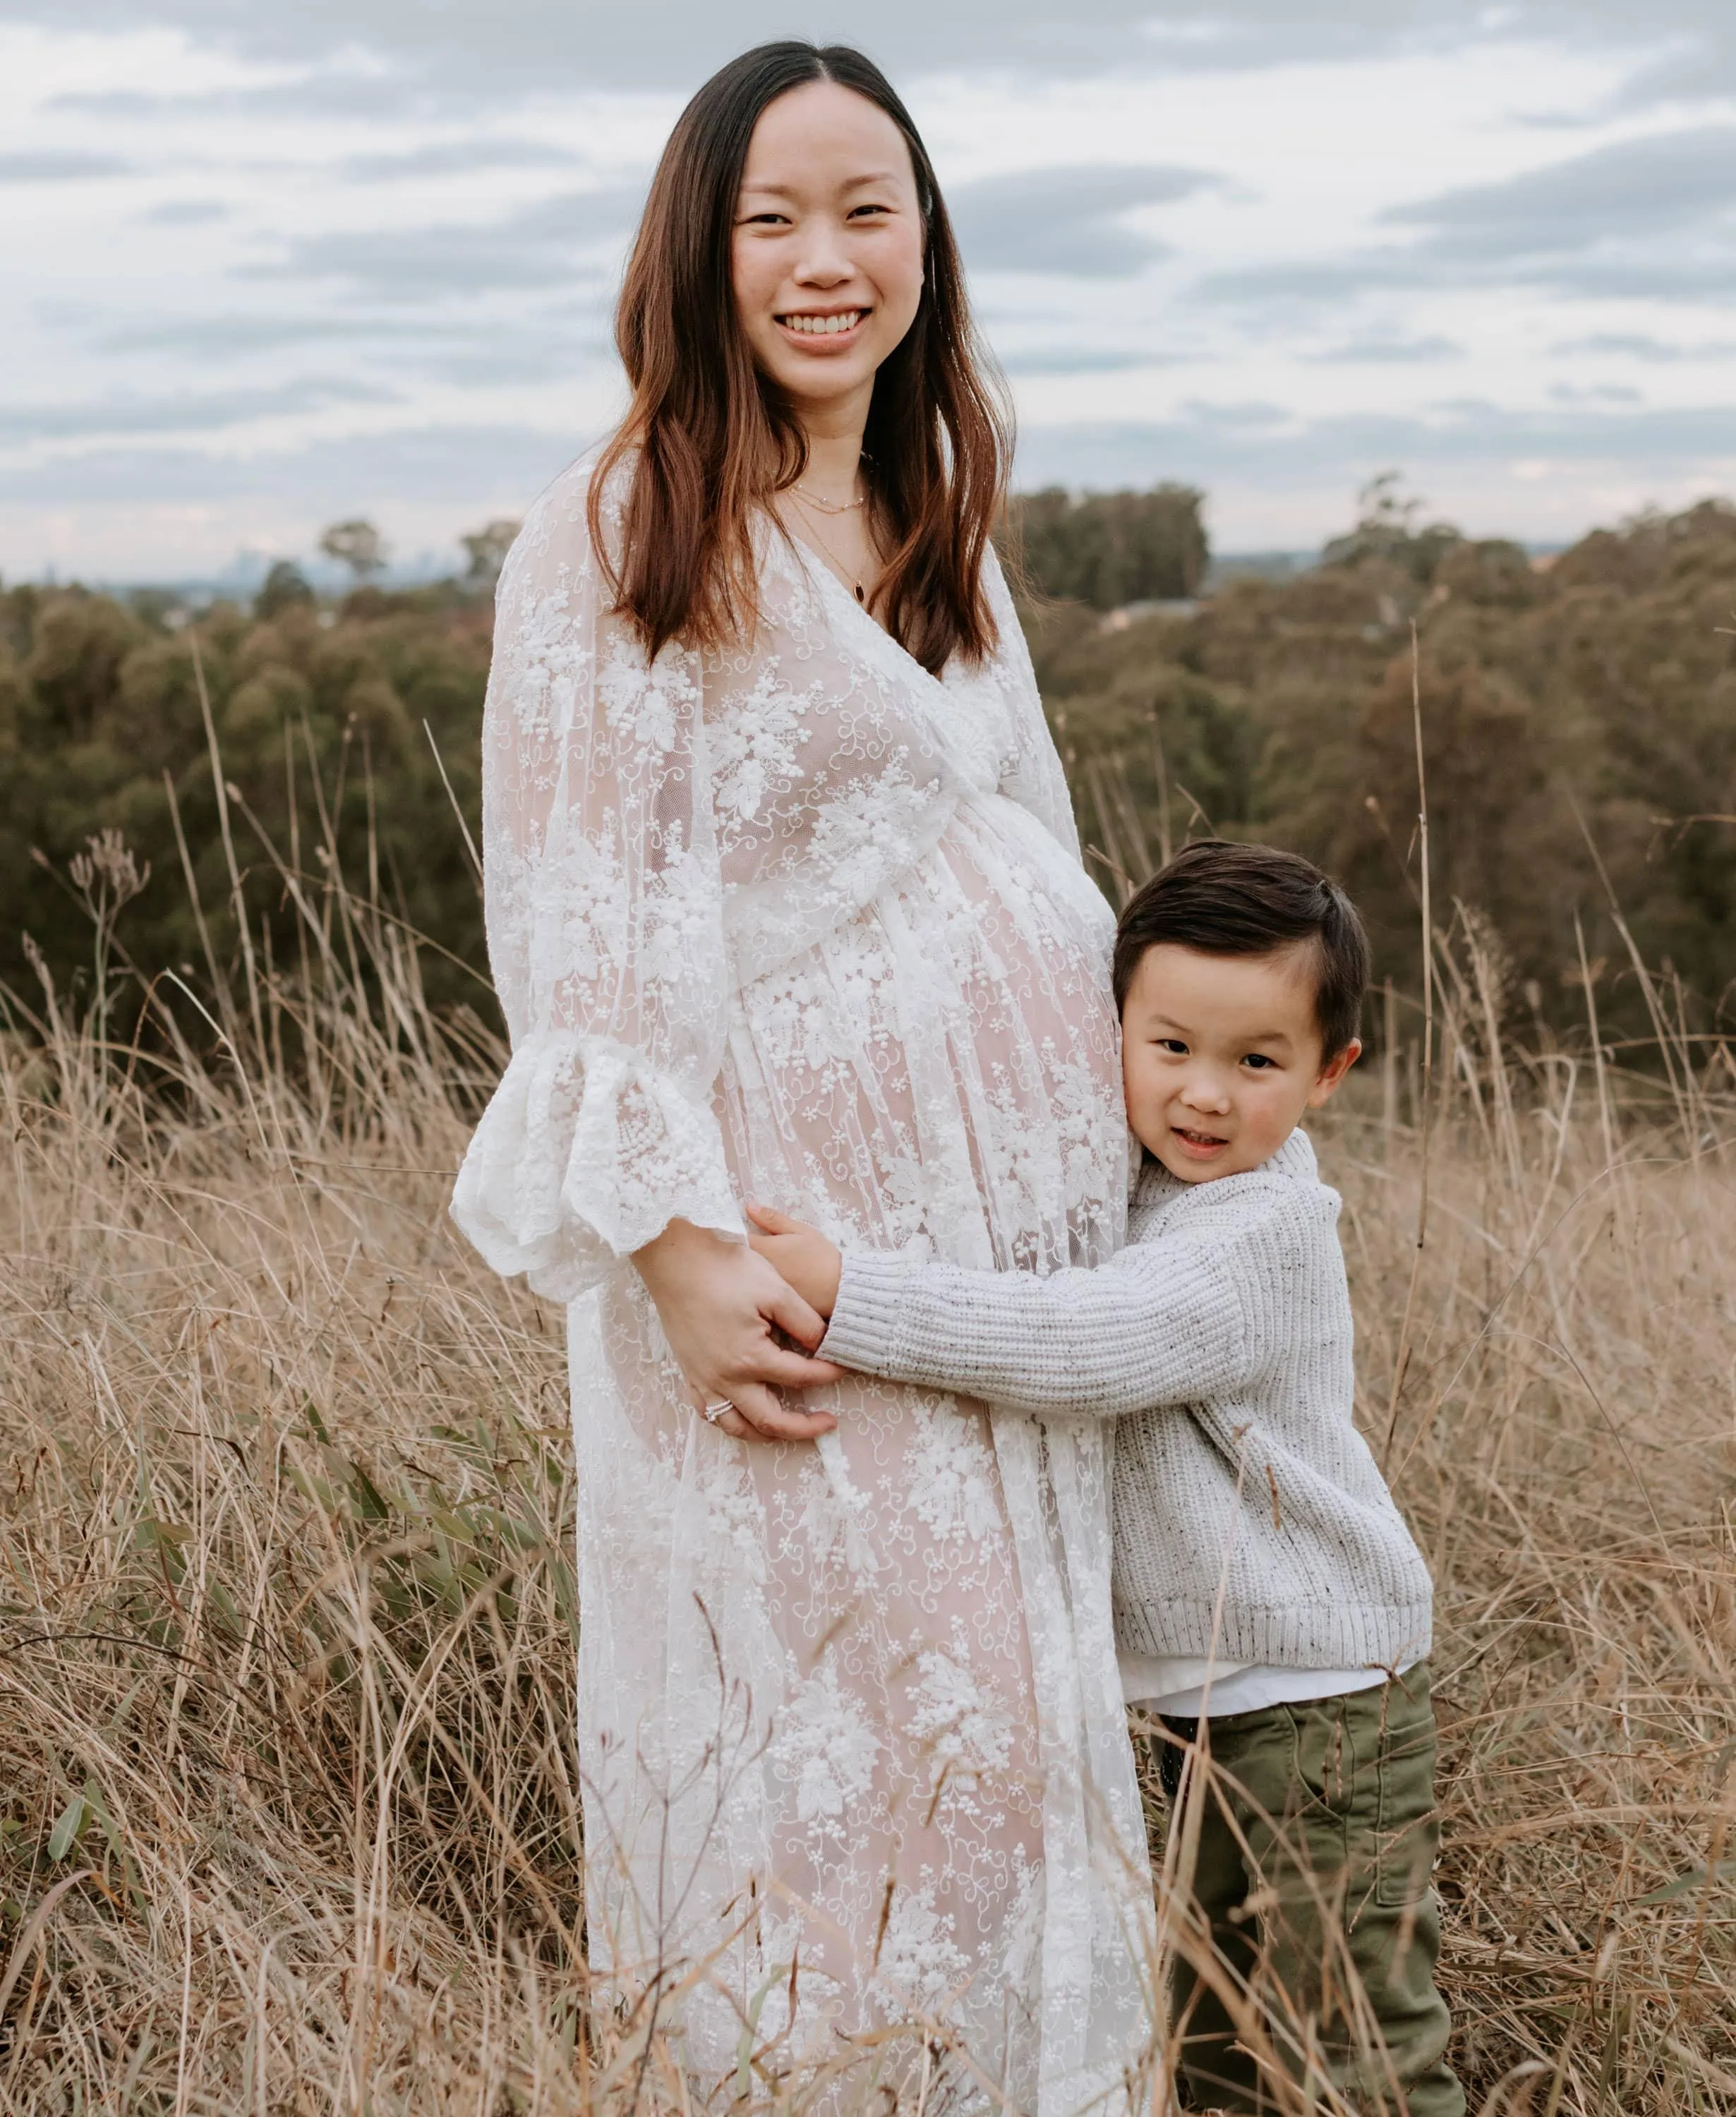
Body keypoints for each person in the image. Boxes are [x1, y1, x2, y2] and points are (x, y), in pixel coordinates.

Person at [449, 39, 1152, 2112]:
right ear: (698, 248)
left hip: (994, 1273)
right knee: (854, 1744)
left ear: (925, 242)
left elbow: (1027, 844)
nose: (823, 258)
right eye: (772, 216)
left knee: (1016, 1736)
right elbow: (576, 938)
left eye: (868, 211)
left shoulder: (929, 509)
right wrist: (670, 1254)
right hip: (778, 1261)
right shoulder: (618, 528)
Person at [749, 840, 1465, 2116]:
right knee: (1210, 2048)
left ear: (1330, 1074)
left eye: (1258, 1062)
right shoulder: (1129, 1189)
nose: (1204, 1095)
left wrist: (847, 1291)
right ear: (1111, 1034)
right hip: (1203, 1713)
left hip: (1318, 1718)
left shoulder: (1263, 1230)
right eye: (1171, 1046)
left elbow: (1086, 1346)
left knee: (1352, 2055)